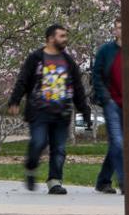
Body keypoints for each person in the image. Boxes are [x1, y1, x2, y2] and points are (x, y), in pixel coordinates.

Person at [7, 24, 91, 194]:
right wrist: (14, 100)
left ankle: (54, 181)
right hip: (39, 112)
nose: (65, 39)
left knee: (59, 149)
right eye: (61, 36)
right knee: (38, 142)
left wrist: (84, 111)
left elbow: (78, 89)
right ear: (51, 38)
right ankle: (31, 167)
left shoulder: (68, 62)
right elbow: (23, 79)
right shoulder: (36, 58)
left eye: (65, 36)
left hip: (62, 113)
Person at [92, 20, 124, 195]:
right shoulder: (106, 51)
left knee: (117, 145)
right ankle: (125, 182)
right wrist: (105, 98)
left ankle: (103, 181)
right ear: (114, 31)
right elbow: (96, 75)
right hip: (111, 102)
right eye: (119, 27)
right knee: (118, 143)